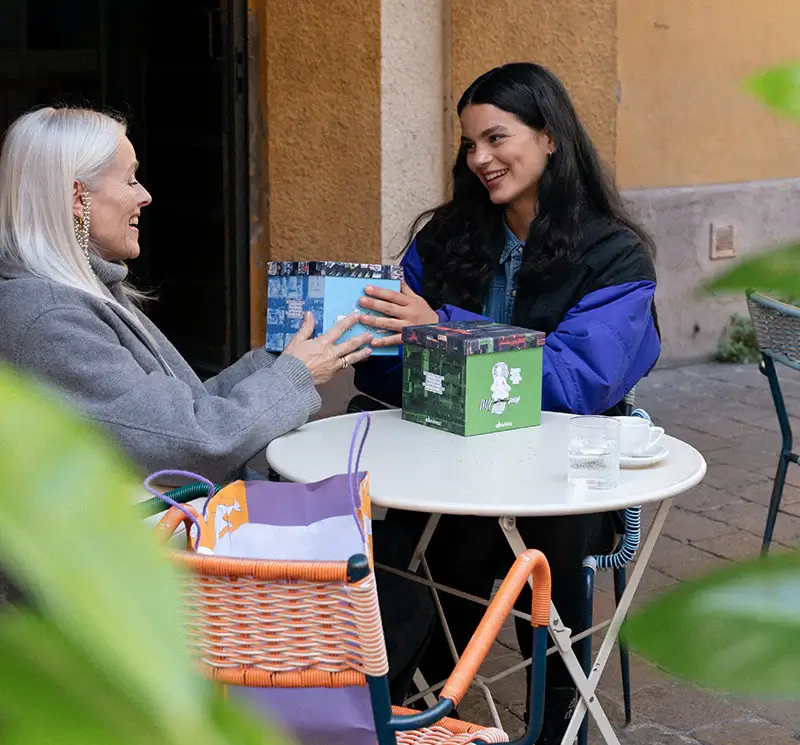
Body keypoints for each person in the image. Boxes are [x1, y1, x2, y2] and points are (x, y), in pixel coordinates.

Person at [0, 106, 431, 705]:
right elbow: (190, 439)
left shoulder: (69, 294)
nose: (145, 195)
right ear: (78, 196)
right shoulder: (49, 317)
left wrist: (283, 362)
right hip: (123, 585)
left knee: (383, 585)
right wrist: (294, 375)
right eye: (130, 179)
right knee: (394, 606)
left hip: (135, 552)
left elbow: (169, 413)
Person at [353, 62, 660, 743]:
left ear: (550, 137)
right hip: (444, 469)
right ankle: (416, 712)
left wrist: (439, 329)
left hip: (559, 479)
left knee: (549, 539)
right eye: (470, 145)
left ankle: (556, 726)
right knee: (385, 527)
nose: (481, 159)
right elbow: (379, 364)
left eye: (497, 138)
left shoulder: (614, 256)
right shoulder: (444, 236)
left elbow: (580, 382)